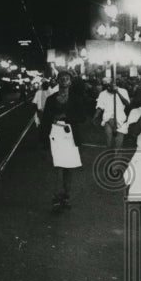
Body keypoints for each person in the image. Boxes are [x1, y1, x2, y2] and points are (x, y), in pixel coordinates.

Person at [39, 69, 87, 211]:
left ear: (71, 82)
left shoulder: (76, 99)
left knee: (69, 167)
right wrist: (43, 139)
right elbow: (45, 120)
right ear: (57, 81)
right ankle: (56, 196)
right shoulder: (51, 99)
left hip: (70, 135)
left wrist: (66, 116)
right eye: (61, 78)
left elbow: (83, 117)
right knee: (58, 166)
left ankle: (66, 195)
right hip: (56, 134)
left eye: (67, 78)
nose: (64, 80)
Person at [94, 75, 130, 150]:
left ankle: (117, 160)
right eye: (106, 86)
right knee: (109, 143)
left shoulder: (123, 91)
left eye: (109, 85)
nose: (108, 88)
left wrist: (118, 93)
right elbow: (100, 107)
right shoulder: (103, 94)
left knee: (118, 145)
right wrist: (95, 117)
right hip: (108, 119)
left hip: (121, 120)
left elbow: (127, 103)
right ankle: (109, 158)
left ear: (114, 84)